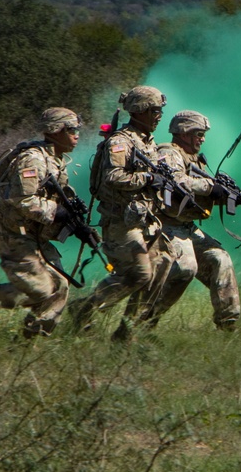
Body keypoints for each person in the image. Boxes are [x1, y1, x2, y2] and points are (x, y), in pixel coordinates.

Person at [0, 107, 85, 338]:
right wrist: (58, 211)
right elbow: (21, 199)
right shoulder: (33, 160)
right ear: (55, 131)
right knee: (41, 291)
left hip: (35, 235)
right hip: (13, 234)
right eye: (72, 129)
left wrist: (74, 224)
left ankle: (28, 342)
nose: (77, 134)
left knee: (60, 287)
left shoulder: (56, 161)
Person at [68, 86, 174, 340]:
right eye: (155, 110)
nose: (159, 116)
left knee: (164, 262)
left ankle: (129, 331)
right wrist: (148, 178)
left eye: (160, 111)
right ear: (140, 111)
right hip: (121, 221)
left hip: (146, 219)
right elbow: (113, 176)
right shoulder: (120, 141)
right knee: (138, 273)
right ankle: (85, 308)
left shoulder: (147, 141)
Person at [133, 110, 240, 331]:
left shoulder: (196, 160)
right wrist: (212, 188)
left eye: (203, 134)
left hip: (187, 227)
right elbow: (178, 182)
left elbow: (196, 198)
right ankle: (143, 323)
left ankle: (228, 323)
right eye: (198, 133)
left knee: (220, 259)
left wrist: (227, 197)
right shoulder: (168, 153)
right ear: (183, 132)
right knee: (185, 269)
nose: (202, 138)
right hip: (167, 226)